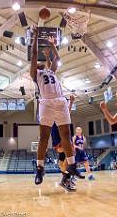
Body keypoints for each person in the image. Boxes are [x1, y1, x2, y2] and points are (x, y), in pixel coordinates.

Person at [30, 26, 82, 186]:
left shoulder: (51, 71)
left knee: (66, 136)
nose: (39, 64)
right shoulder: (35, 75)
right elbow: (33, 54)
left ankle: (72, 166)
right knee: (44, 138)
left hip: (60, 101)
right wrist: (36, 35)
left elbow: (57, 59)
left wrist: (52, 45)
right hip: (46, 102)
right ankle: (39, 169)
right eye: (37, 63)